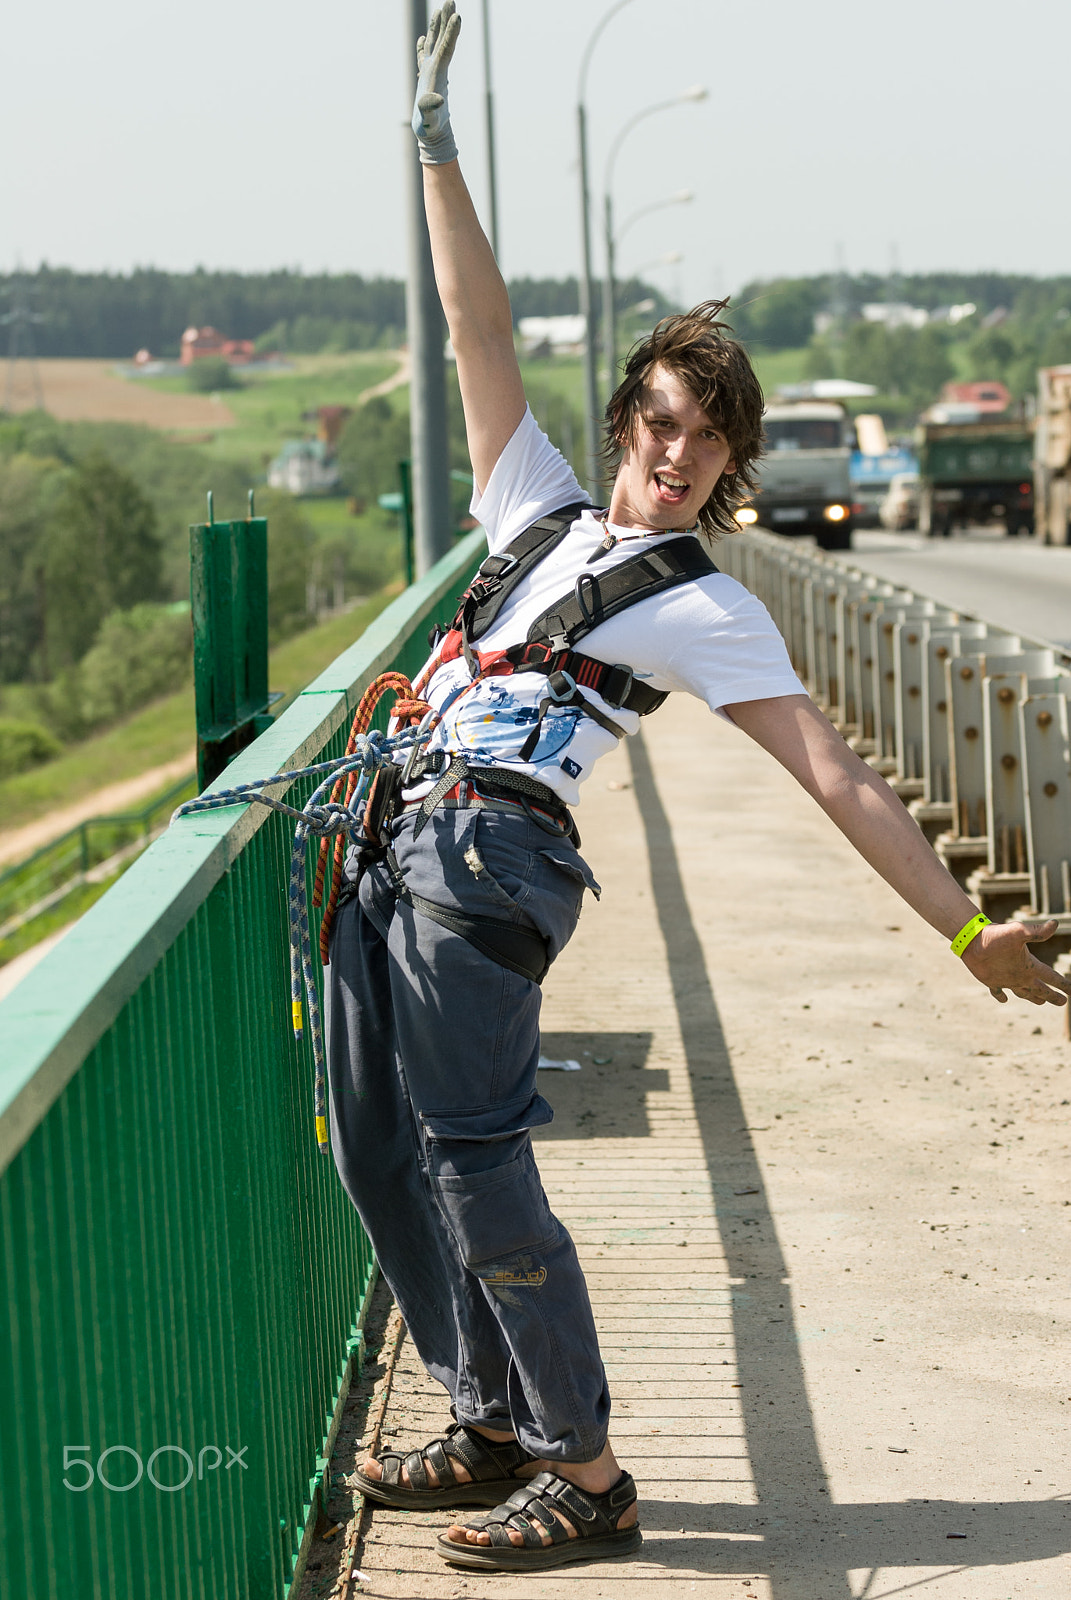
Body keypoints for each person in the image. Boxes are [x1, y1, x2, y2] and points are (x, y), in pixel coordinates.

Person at [324, 3, 1071, 1574]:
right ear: (626, 424)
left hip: (485, 864)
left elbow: (837, 776)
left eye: (704, 440)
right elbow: (477, 329)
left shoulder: (709, 604)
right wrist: (436, 146)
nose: (674, 452)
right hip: (391, 834)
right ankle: (487, 1417)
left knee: (472, 1151)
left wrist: (961, 935)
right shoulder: (529, 504)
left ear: (728, 469)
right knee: (378, 1139)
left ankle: (587, 1471)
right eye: (659, 422)